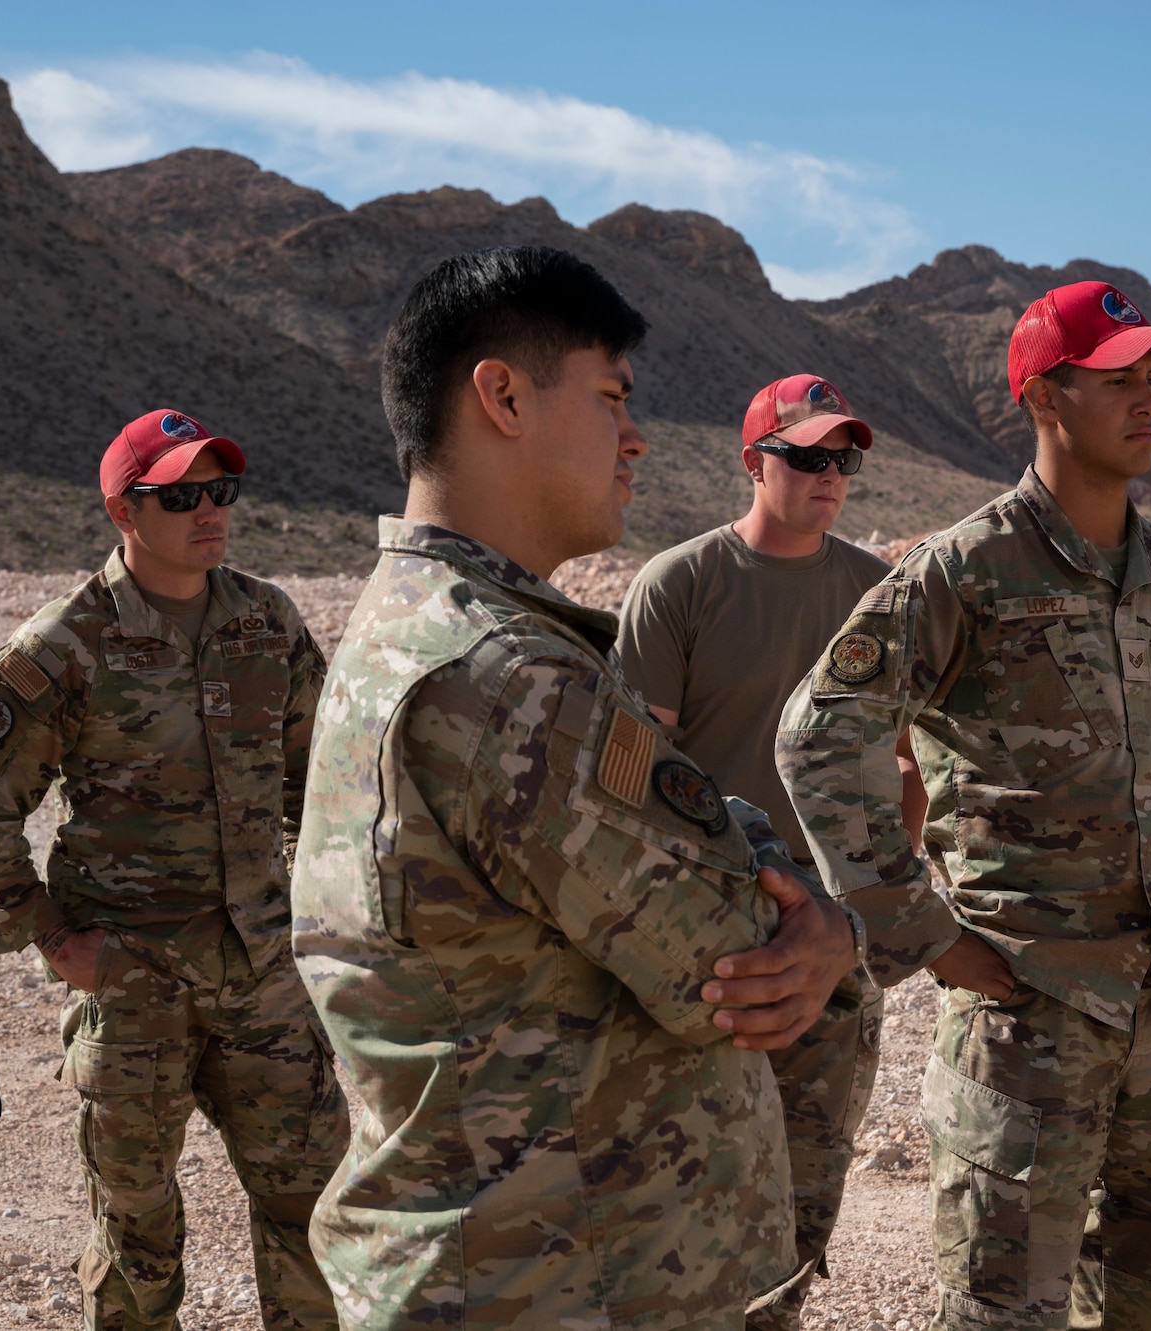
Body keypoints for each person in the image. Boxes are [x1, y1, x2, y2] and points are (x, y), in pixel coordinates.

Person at [291, 245, 861, 1329]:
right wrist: (821, 921)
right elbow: (730, 948)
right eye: (609, 399)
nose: (635, 437)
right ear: (501, 395)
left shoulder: (423, 625)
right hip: (560, 1283)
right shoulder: (502, 674)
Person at [777, 280, 1151, 1329]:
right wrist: (921, 931)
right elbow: (818, 735)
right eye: (1115, 380)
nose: (1145, 402)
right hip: (1025, 1020)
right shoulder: (964, 572)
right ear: (1042, 398)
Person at [0, 408, 348, 1331]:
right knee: (138, 1232)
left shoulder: (265, 620)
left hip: (263, 976)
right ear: (125, 511)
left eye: (221, 491)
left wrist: (324, 910)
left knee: (313, 1212)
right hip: (133, 983)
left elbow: (320, 781)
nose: (211, 512)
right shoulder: (63, 645)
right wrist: (50, 936)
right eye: (182, 496)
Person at [615, 374, 891, 1328]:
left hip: (832, 944)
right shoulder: (680, 585)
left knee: (805, 1202)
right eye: (808, 454)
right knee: (683, 1207)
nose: (830, 475)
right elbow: (637, 776)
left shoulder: (873, 593)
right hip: (711, 946)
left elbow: (910, 759)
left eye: (844, 457)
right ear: (754, 463)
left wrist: (875, 897)